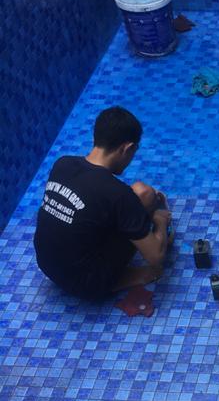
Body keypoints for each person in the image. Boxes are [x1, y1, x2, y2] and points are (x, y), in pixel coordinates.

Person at [34, 106, 172, 301]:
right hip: (87, 284)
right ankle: (123, 279)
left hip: (47, 265)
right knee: (146, 196)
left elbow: (93, 200)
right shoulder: (117, 194)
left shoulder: (63, 164)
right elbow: (156, 256)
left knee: (136, 196)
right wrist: (159, 221)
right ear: (128, 148)